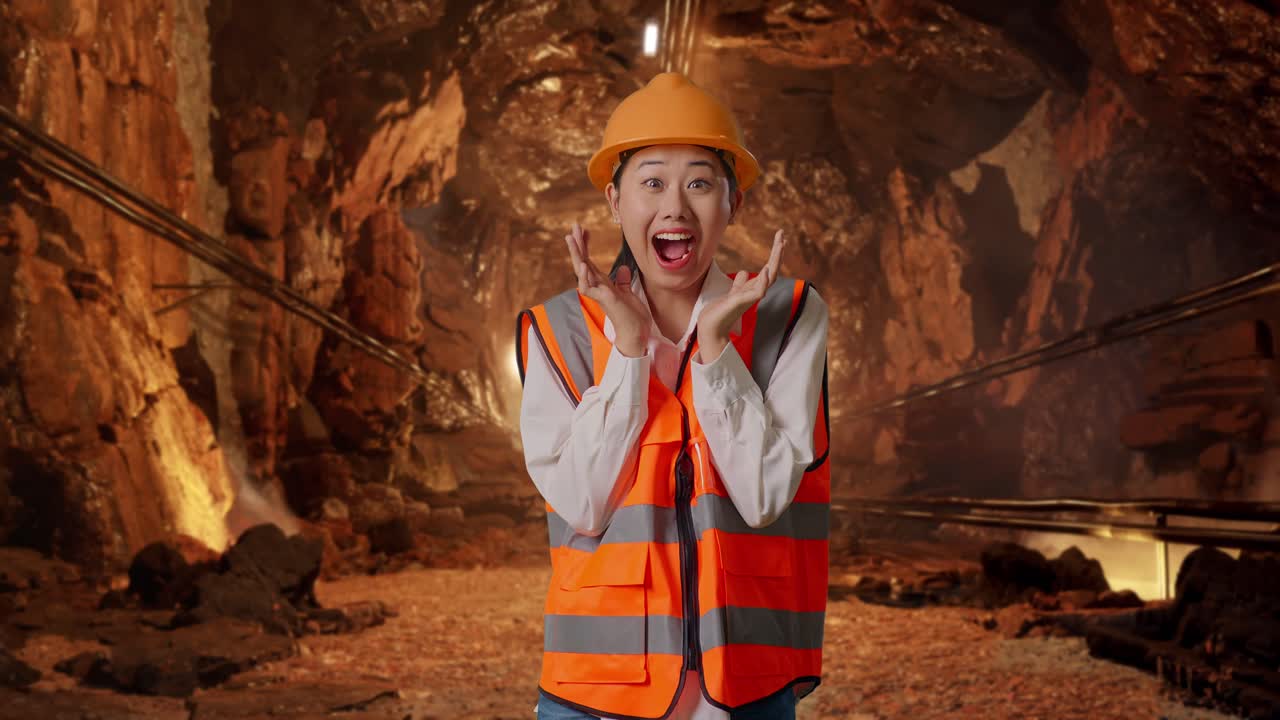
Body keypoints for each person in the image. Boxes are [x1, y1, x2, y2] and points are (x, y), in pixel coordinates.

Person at [516, 72, 830, 720]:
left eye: (700, 182)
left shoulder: (789, 315)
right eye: (652, 181)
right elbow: (585, 502)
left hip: (744, 687)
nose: (675, 208)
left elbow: (766, 495)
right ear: (613, 200)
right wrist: (629, 353)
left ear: (732, 201)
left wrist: (716, 354)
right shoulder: (559, 331)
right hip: (596, 695)